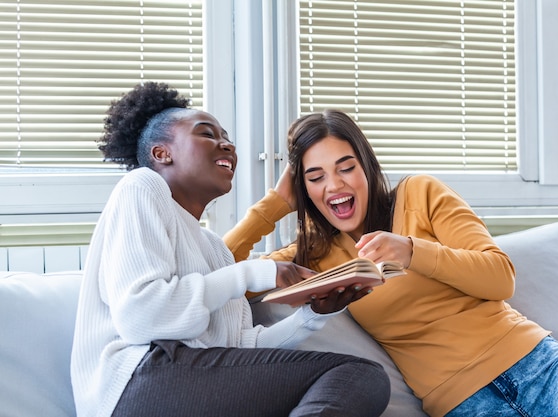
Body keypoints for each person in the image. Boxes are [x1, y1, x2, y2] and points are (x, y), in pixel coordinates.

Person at [223, 109, 558, 417]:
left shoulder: (420, 193)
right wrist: (272, 207)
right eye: (315, 177)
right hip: (461, 403)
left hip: (542, 366)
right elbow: (215, 277)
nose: (335, 185)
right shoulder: (310, 255)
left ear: (366, 166)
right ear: (305, 191)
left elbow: (500, 278)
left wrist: (413, 251)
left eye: (346, 167)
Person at [70, 84, 391, 417]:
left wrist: (313, 316)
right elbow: (143, 318)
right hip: (138, 382)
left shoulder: (213, 247)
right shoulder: (142, 187)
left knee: (362, 377)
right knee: (357, 376)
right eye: (207, 134)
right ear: (161, 153)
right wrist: (256, 271)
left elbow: (241, 349)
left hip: (188, 380)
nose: (227, 144)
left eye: (227, 137)